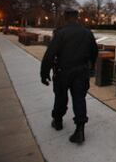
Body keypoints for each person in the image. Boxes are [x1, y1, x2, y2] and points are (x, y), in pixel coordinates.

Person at [40, 8, 98, 144]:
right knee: (79, 99)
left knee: (60, 97)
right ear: (77, 17)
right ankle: (80, 129)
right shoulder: (87, 33)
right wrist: (91, 67)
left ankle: (58, 121)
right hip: (81, 71)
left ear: (65, 17)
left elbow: (50, 54)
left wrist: (44, 73)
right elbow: (94, 52)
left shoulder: (61, 33)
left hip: (63, 71)